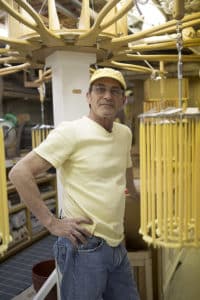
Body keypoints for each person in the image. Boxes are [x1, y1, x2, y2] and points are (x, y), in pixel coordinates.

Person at [9, 67, 140, 300]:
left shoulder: (124, 133)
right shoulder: (71, 132)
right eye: (100, 89)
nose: (107, 96)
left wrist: (132, 189)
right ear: (88, 97)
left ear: (123, 99)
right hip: (84, 246)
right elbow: (19, 173)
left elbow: (125, 162)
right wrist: (51, 223)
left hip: (117, 243)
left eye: (114, 91)